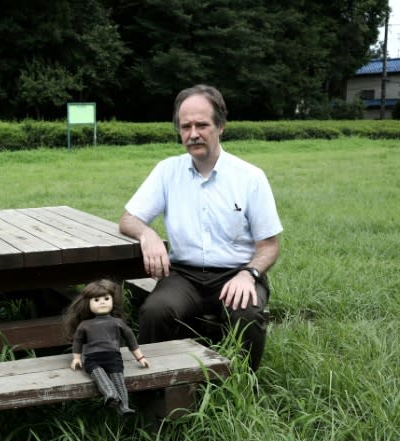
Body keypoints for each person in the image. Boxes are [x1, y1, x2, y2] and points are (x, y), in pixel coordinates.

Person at [119, 84, 283, 372]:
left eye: (202, 125)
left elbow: (269, 246)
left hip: (237, 272)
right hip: (184, 275)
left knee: (246, 314)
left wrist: (249, 274)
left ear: (221, 126)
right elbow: (128, 218)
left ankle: (242, 387)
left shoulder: (250, 177)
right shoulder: (167, 171)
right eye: (185, 126)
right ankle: (156, 390)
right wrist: (148, 233)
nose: (193, 133)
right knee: (155, 312)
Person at [65, 279, 150, 415]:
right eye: (96, 300)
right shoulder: (84, 325)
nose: (102, 302)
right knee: (100, 377)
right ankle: (110, 395)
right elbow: (78, 342)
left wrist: (140, 357)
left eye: (106, 298)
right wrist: (76, 358)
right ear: (88, 304)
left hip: (113, 357)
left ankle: (125, 407)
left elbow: (130, 339)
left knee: (119, 380)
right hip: (92, 359)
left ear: (112, 300)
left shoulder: (118, 322)